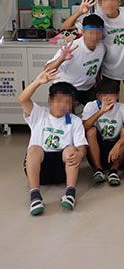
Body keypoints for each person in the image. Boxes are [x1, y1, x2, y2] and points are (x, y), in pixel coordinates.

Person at [19, 66, 87, 215]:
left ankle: (70, 193)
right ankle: (35, 196)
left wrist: (80, 154)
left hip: (62, 170)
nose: (63, 105)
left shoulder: (74, 121)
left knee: (71, 149)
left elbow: (82, 147)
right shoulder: (39, 114)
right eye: (59, 100)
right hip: (40, 168)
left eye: (68, 102)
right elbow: (23, 99)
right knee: (34, 149)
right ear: (50, 100)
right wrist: (38, 82)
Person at [61, 0, 124, 100]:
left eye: (112, 0)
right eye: (105, 0)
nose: (109, 4)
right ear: (99, 3)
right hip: (109, 71)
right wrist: (80, 12)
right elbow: (65, 27)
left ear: (119, 2)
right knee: (110, 101)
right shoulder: (97, 18)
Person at [82, 79, 124, 186]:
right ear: (98, 96)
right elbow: (84, 127)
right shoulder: (91, 106)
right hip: (97, 150)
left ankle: (114, 171)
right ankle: (98, 169)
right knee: (91, 131)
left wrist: (118, 145)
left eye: (112, 94)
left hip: (118, 153)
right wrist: (101, 111)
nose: (108, 98)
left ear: (117, 96)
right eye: (104, 95)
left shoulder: (122, 107)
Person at [45, 13, 105, 105]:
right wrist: (61, 59)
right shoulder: (72, 48)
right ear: (83, 32)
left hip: (87, 88)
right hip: (66, 88)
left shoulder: (102, 47)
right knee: (66, 113)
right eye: (91, 32)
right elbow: (47, 70)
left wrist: (97, 80)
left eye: (98, 33)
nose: (94, 37)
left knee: (100, 108)